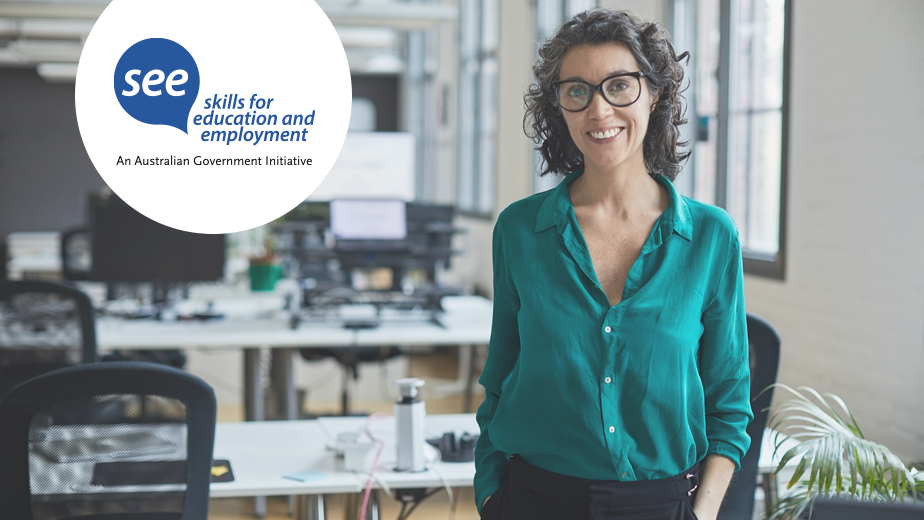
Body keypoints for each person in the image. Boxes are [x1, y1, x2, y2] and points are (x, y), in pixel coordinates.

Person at [474, 8, 752, 520]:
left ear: (655, 94)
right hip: (534, 501)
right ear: (559, 106)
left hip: (663, 505)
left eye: (619, 86)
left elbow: (729, 405)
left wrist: (703, 512)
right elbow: (499, 378)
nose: (598, 111)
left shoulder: (712, 237)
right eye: (577, 91)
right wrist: (492, 494)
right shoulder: (520, 231)